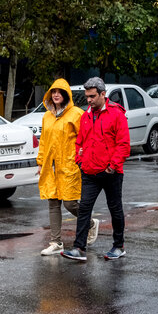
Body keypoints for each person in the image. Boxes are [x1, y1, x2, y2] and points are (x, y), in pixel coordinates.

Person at [62, 76, 130, 262]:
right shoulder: (85, 116)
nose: (89, 100)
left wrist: (112, 166)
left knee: (115, 209)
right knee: (84, 208)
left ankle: (118, 246)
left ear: (102, 94)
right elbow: (80, 142)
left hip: (111, 173)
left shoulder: (116, 114)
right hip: (90, 172)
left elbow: (123, 144)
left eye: (92, 96)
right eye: (87, 97)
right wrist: (80, 160)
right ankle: (78, 248)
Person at [37, 79, 99, 255]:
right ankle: (56, 242)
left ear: (66, 94)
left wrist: (82, 159)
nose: (56, 94)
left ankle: (91, 223)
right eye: (53, 92)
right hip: (51, 166)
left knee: (70, 203)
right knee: (52, 202)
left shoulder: (77, 114)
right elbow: (44, 142)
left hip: (70, 165)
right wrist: (40, 163)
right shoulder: (47, 116)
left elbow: (86, 138)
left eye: (59, 91)